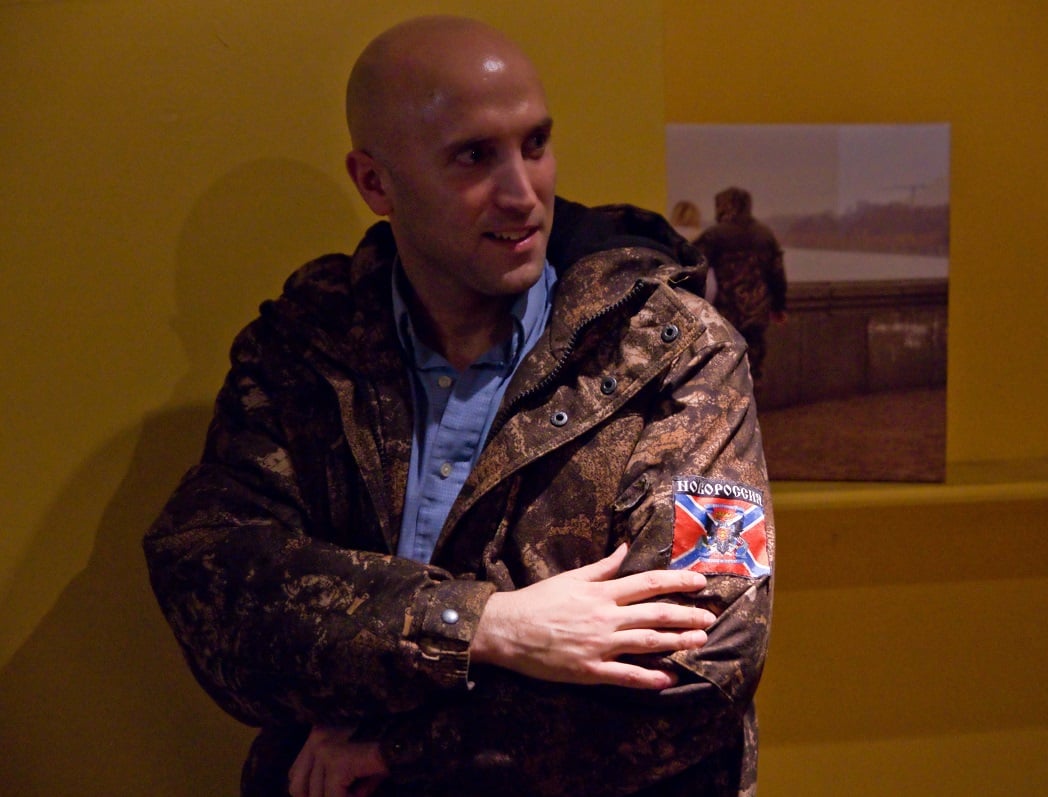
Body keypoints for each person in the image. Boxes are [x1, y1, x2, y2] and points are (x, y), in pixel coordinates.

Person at [145, 15, 774, 797]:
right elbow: (216, 587)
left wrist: (398, 748)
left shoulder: (673, 350)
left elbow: (700, 668)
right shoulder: (304, 349)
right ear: (375, 183)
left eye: (535, 144)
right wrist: (486, 626)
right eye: (475, 157)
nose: (524, 194)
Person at [692, 187, 788, 383]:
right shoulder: (765, 235)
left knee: (723, 366)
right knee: (753, 364)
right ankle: (751, 406)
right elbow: (777, 275)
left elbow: (692, 267)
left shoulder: (714, 235)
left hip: (724, 312)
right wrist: (778, 307)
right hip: (757, 312)